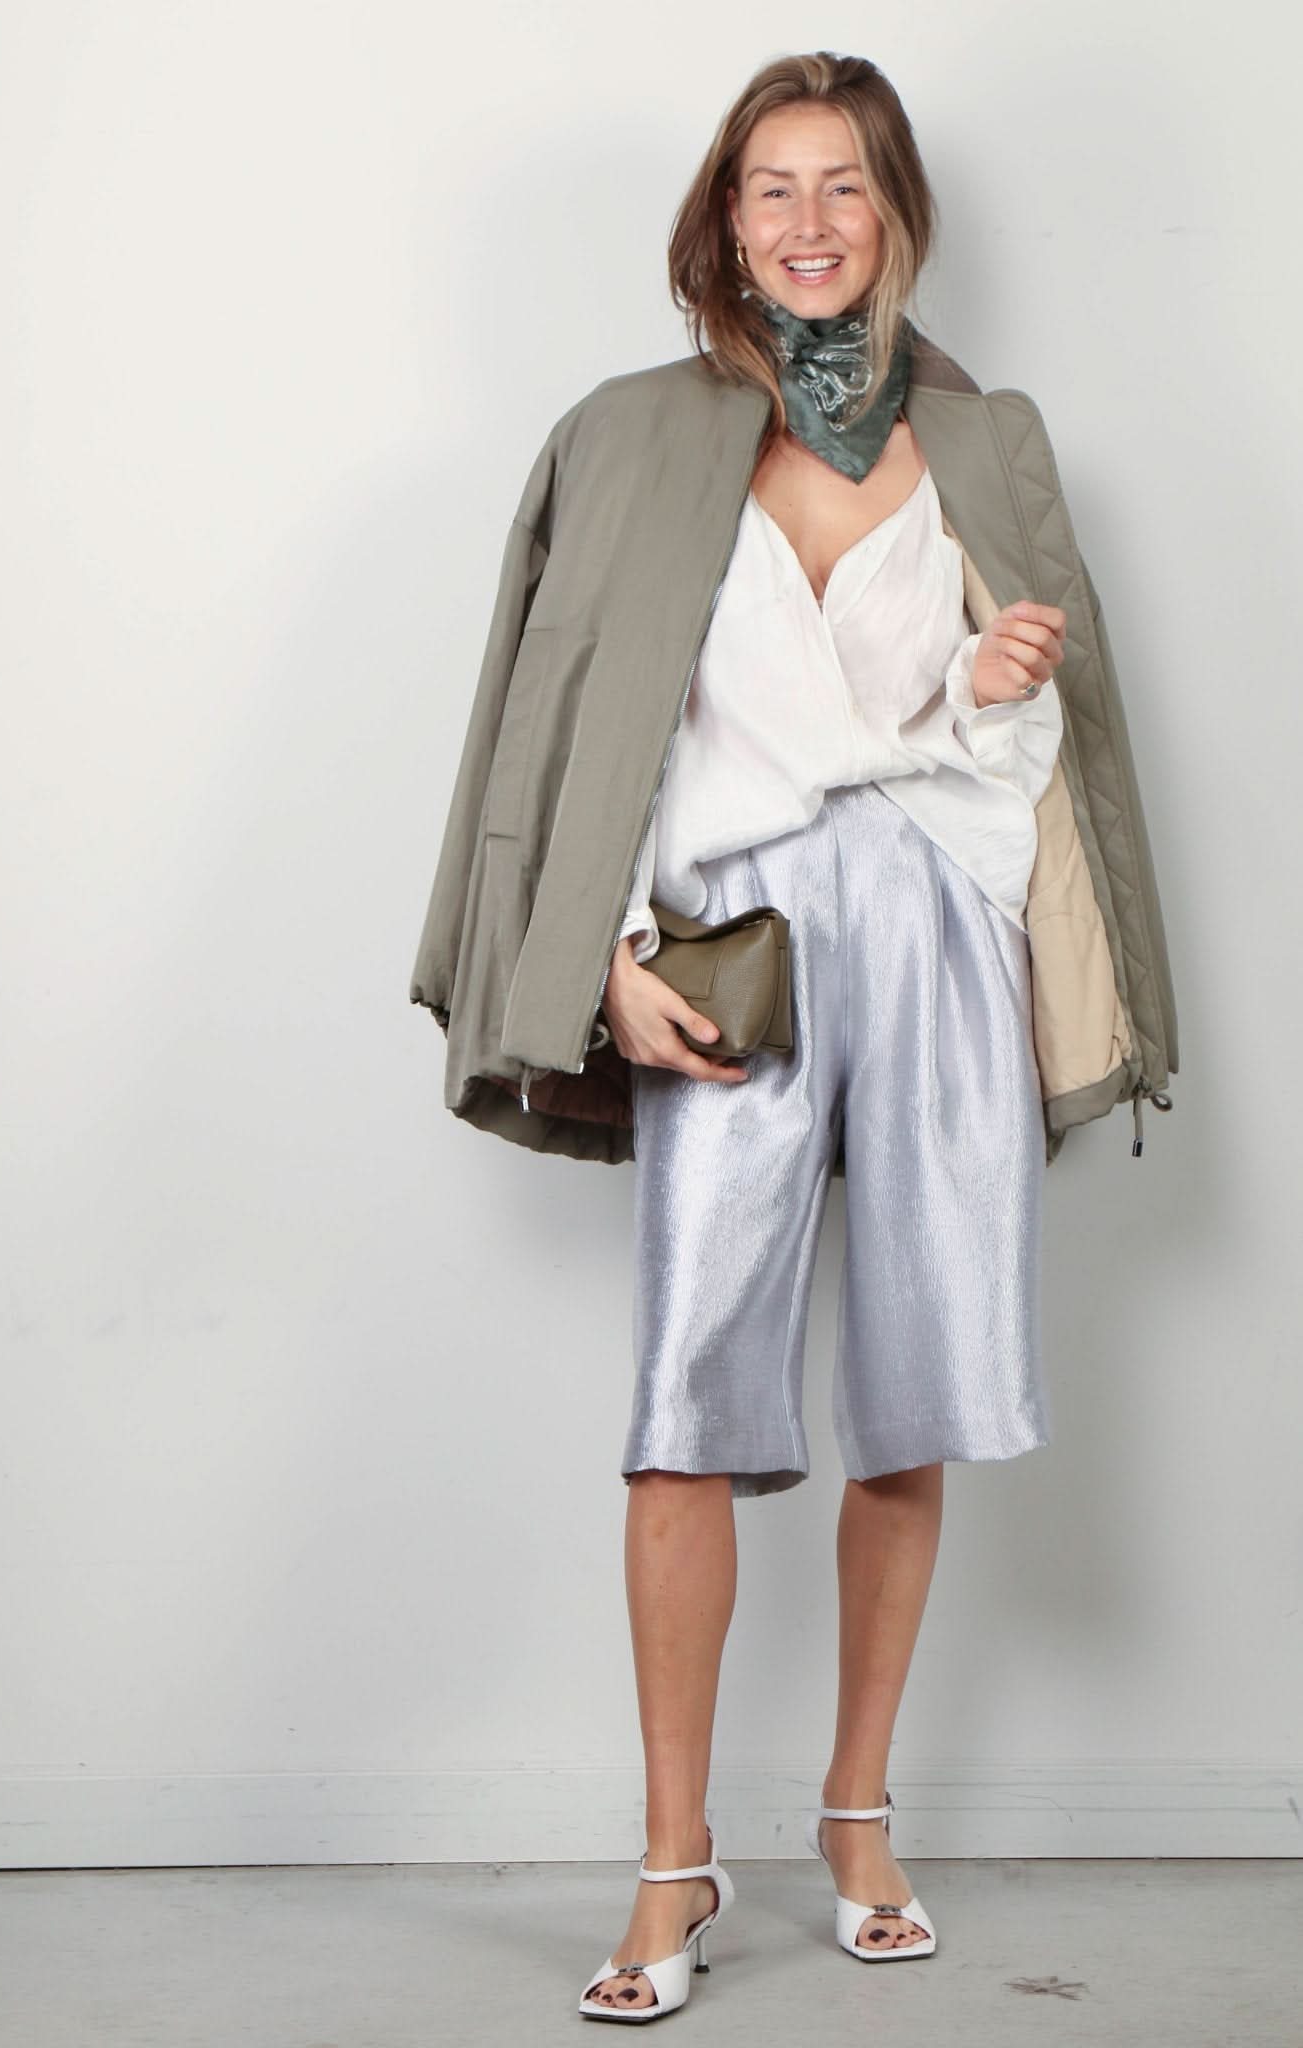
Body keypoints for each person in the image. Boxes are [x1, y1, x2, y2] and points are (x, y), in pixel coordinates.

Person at [408, 47, 1179, 2028]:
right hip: (730, 948)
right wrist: (603, 952)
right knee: (686, 1410)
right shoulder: (626, 436)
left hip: (931, 935)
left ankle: (854, 1814)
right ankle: (672, 1859)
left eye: (844, 184)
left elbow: (1018, 770)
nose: (809, 221)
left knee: (907, 1399)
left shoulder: (986, 437)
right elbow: (575, 725)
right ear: (723, 219)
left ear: (896, 211)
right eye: (772, 186)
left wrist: (997, 684)